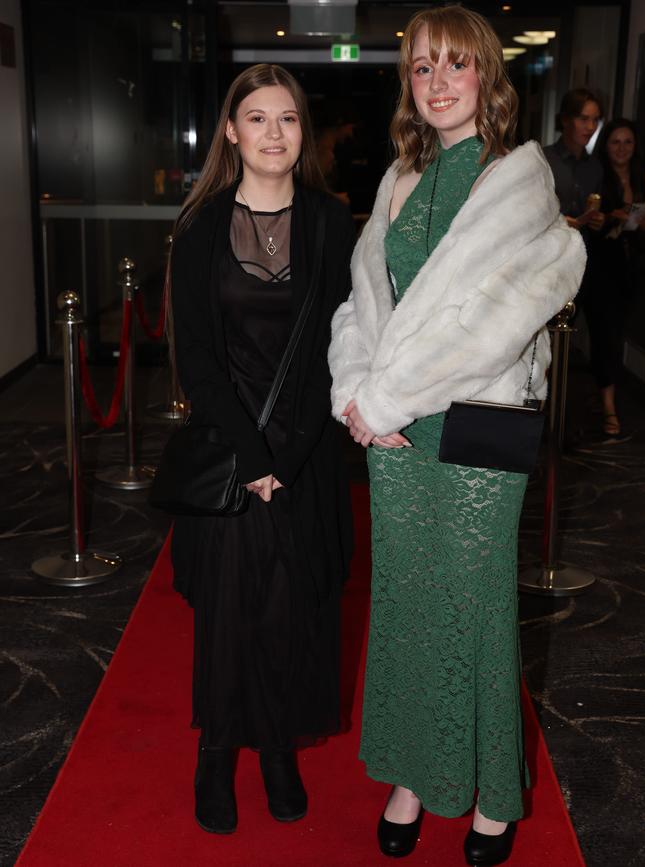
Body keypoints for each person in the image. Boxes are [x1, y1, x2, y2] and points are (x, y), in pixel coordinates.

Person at [328, 6, 585, 865]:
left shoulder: (517, 177)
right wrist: (353, 394)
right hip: (396, 438)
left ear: (487, 76)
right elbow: (363, 302)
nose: (437, 84)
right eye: (422, 68)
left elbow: (488, 327)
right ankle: (409, 774)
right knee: (403, 608)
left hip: (472, 430)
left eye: (455, 66)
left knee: (474, 610)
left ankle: (489, 797)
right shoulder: (400, 175)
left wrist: (387, 398)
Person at [168, 64, 355, 835]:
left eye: (288, 119)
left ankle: (278, 744)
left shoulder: (329, 220)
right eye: (258, 118)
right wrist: (252, 454)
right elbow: (198, 360)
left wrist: (289, 447)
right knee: (228, 607)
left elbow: (340, 343)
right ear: (231, 131)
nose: (274, 133)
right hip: (229, 447)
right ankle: (216, 751)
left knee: (292, 605)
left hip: (304, 447)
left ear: (301, 133)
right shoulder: (201, 227)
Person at [542, 89, 619, 439]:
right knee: (545, 341)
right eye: (583, 118)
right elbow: (533, 211)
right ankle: (543, 413)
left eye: (594, 120)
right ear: (566, 120)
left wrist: (597, 220)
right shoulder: (543, 159)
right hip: (550, 261)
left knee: (598, 332)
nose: (590, 126)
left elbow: (595, 213)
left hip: (586, 260)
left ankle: (593, 413)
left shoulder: (595, 167)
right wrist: (565, 221)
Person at [588, 118, 645, 440]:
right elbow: (589, 220)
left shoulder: (643, 177)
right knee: (606, 335)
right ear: (605, 145)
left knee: (620, 330)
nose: (622, 148)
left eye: (628, 142)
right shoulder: (597, 176)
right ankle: (609, 407)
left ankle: (607, 391)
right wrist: (612, 217)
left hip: (634, 266)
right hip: (602, 265)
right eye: (615, 142)